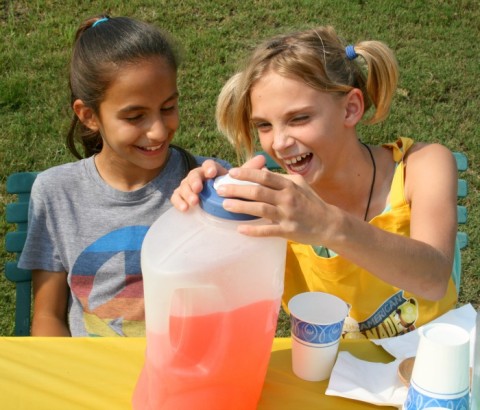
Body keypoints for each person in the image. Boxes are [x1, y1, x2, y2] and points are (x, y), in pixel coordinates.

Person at [171, 25, 459, 339]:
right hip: (328, 379)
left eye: (299, 118)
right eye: (264, 125)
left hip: (430, 372)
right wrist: (207, 207)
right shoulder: (277, 205)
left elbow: (433, 280)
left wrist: (326, 225)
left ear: (351, 109)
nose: (279, 143)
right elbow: (217, 294)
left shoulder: (422, 166)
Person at [18, 15, 229, 337]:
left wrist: (230, 201)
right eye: (135, 116)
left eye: (168, 107)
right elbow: (48, 316)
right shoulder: (56, 192)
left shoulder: (204, 182)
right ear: (88, 115)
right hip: (93, 375)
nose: (158, 130)